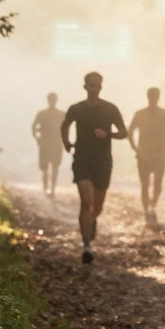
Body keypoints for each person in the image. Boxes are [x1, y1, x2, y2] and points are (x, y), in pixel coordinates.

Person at [59, 73, 127, 264]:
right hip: (81, 159)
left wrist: (107, 134)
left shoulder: (110, 109)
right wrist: (66, 143)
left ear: (101, 87)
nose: (93, 89)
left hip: (103, 161)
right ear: (85, 86)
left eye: (97, 86)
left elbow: (124, 133)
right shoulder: (76, 108)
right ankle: (86, 245)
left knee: (97, 205)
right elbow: (64, 125)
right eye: (90, 85)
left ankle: (93, 220)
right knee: (86, 200)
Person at [128, 87, 165, 226]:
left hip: (159, 154)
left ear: (158, 97)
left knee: (158, 183)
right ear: (147, 97)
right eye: (151, 96)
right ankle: (147, 211)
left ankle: (152, 207)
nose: (153, 99)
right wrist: (136, 149)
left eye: (155, 96)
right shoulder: (140, 114)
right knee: (145, 184)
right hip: (143, 154)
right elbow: (130, 132)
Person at [32, 92, 66, 198]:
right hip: (48, 144)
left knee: (53, 167)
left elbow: (66, 129)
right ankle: (48, 187)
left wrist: (37, 137)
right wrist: (37, 138)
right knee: (46, 168)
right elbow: (34, 128)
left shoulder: (60, 114)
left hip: (54, 144)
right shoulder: (45, 114)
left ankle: (51, 188)